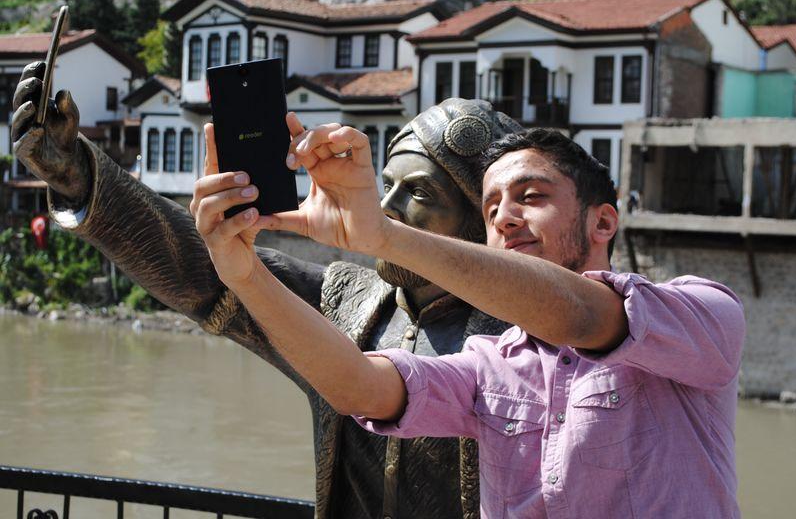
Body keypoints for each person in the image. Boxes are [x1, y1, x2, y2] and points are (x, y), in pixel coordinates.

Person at [11, 60, 525, 518]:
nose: (385, 206)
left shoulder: (529, 337)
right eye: (384, 184)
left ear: (480, 218)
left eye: (418, 192)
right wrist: (77, 173)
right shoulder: (349, 302)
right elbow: (210, 275)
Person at [191, 121, 746, 518]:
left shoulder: (702, 316)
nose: (505, 216)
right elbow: (359, 387)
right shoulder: (493, 363)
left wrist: (383, 236)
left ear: (603, 223)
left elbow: (579, 314)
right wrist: (244, 275)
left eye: (531, 196)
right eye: (490, 207)